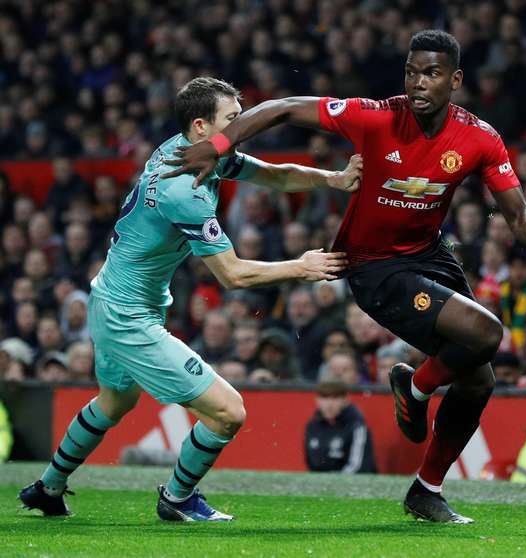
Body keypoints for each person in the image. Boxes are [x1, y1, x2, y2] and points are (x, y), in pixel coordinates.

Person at [165, 30, 526, 523]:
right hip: (372, 266)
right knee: (486, 333)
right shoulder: (375, 116)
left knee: (479, 378)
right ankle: (415, 387)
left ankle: (425, 488)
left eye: (432, 74)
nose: (418, 83)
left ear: (455, 80)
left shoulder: (479, 137)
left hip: (429, 256)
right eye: (412, 72)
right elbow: (283, 106)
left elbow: (517, 213)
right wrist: (218, 145)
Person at [18, 77, 360, 522]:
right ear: (202, 126)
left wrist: (334, 179)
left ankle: (48, 488)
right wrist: (304, 266)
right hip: (126, 316)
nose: (245, 127)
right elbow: (233, 275)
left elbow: (273, 175)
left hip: (116, 298)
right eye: (235, 121)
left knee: (114, 402)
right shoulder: (185, 191)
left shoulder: (194, 149)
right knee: (228, 412)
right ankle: (176, 498)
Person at [304, 381, 377, 474]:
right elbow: (311, 463)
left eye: (335, 398)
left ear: (345, 400)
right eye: (324, 398)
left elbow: (358, 467)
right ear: (317, 400)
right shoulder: (312, 426)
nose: (329, 405)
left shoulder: (356, 426)